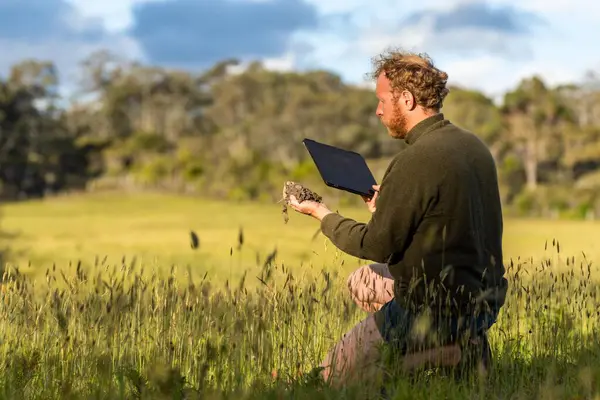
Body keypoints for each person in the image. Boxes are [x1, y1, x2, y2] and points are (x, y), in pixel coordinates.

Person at [288, 49, 509, 386]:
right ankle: (449, 345)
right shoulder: (472, 146)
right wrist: (384, 209)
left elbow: (375, 245)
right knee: (362, 281)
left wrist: (321, 213)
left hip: (435, 308)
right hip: (483, 299)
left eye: (382, 101)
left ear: (405, 99)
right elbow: (443, 221)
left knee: (330, 379)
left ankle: (441, 354)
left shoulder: (416, 159)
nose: (378, 110)